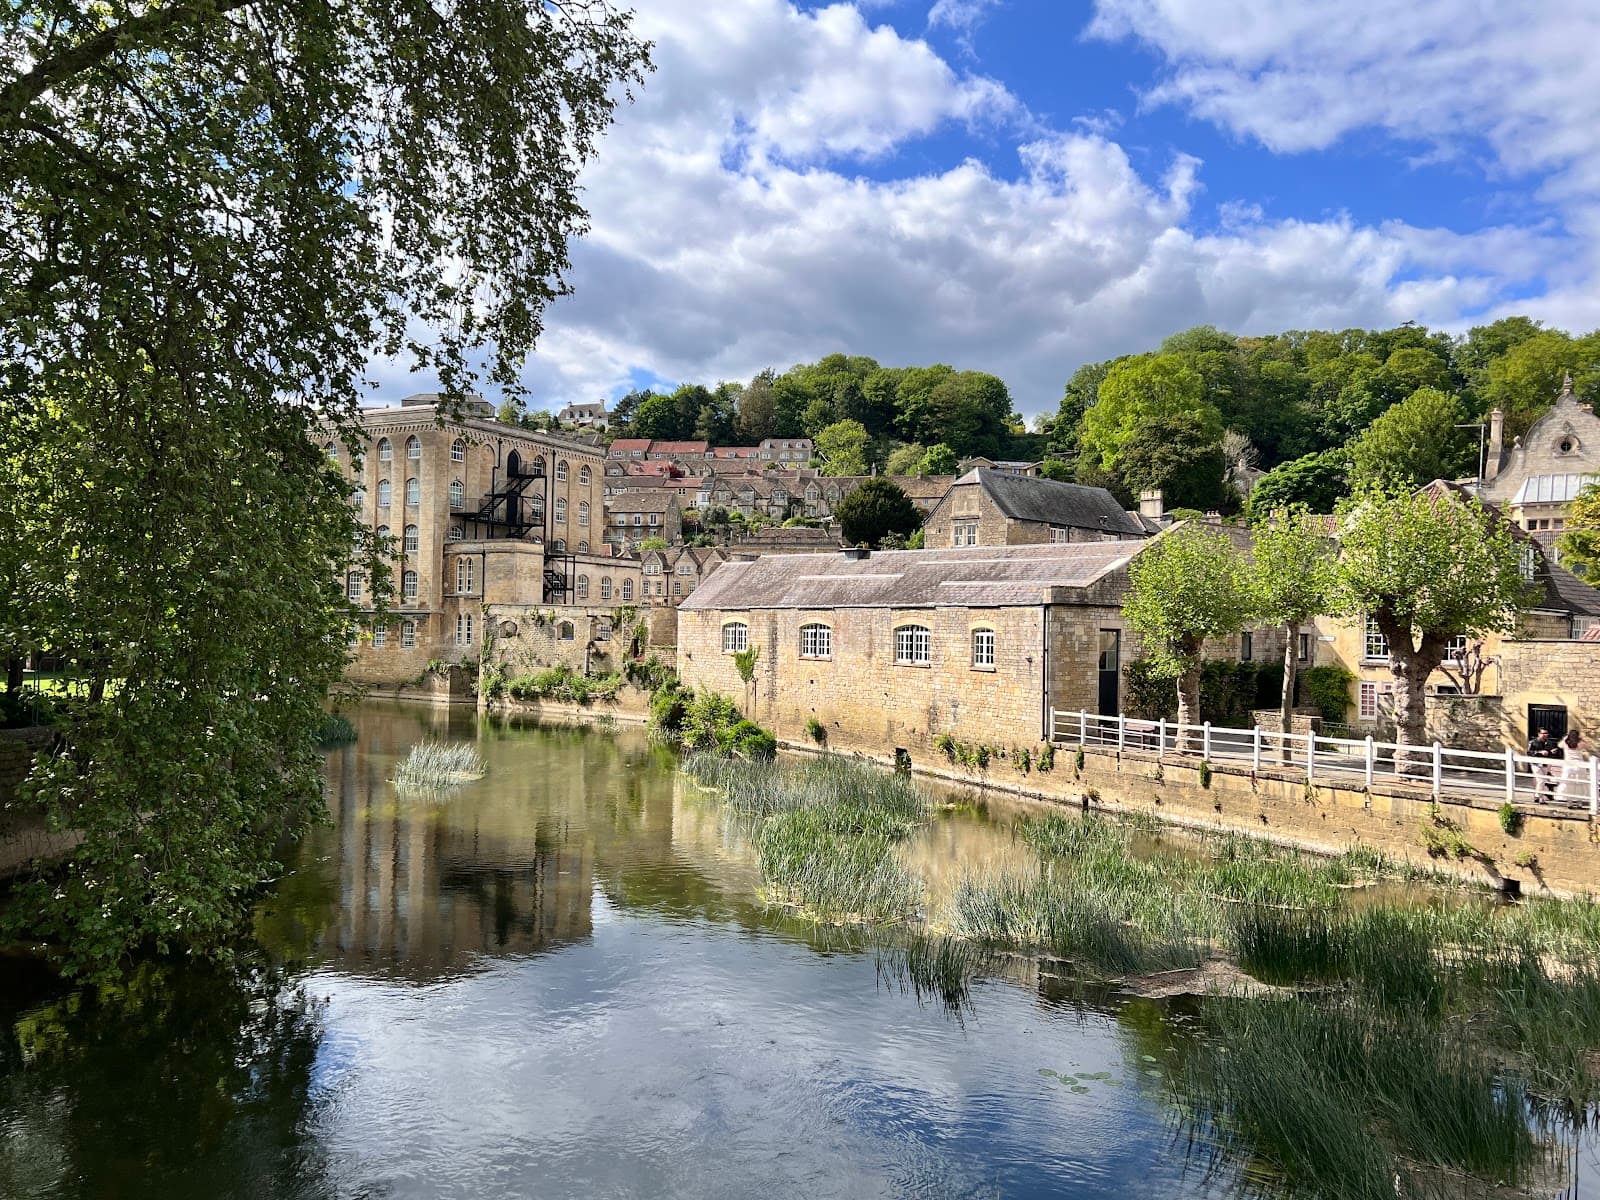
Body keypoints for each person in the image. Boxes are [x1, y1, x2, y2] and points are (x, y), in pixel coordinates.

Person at [1527, 727, 1560, 800]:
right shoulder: (1532, 742)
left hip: (1545, 764)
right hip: (1536, 764)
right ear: (1539, 734)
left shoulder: (1549, 743)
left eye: (1546, 733)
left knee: (1542, 780)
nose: (1545, 735)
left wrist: (1552, 752)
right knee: (1541, 780)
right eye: (1543, 733)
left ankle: (1537, 796)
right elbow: (1529, 752)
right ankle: (1540, 798)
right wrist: (1540, 752)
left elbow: (1551, 753)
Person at [1557, 728, 1587, 806]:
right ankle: (1579, 802)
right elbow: (1587, 745)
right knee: (1580, 783)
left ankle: (1569, 802)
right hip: (1579, 764)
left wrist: (1565, 738)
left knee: (1568, 783)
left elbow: (1559, 745)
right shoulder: (1580, 743)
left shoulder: (1565, 742)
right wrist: (1581, 739)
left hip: (1568, 765)